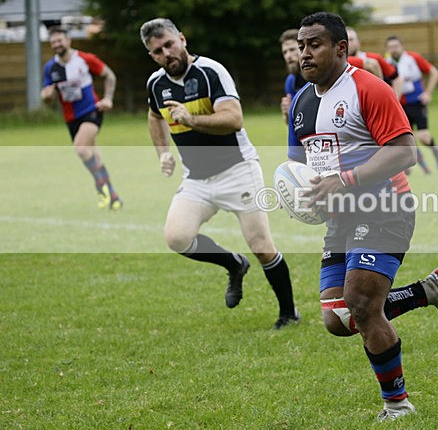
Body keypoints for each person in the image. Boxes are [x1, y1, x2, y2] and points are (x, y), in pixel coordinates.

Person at [289, 12, 438, 421]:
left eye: (314, 44)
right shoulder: (300, 102)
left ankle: (397, 405)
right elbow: (301, 165)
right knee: (338, 319)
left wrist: (345, 181)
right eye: (301, 45)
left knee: (362, 303)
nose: (305, 53)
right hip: (341, 217)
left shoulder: (368, 88)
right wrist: (308, 196)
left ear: (340, 48)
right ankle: (428, 291)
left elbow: (405, 152)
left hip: (385, 208)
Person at [140, 18, 299, 330]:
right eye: (158, 51)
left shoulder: (211, 72)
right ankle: (233, 264)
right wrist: (163, 154)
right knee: (177, 237)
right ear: (152, 55)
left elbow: (234, 119)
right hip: (197, 178)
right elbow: (153, 116)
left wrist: (191, 118)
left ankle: (288, 313)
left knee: (262, 245)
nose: (166, 53)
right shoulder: (155, 83)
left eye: (169, 44)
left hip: (238, 169)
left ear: (182, 40)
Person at [41, 26, 122, 211]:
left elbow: (109, 75)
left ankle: (99, 186)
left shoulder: (85, 59)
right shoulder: (50, 68)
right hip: (71, 119)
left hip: (91, 111)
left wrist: (108, 98)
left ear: (68, 40)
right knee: (94, 156)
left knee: (80, 148)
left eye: (59, 40)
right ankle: (113, 197)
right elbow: (47, 96)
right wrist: (46, 97)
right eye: (53, 42)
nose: (56, 44)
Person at [385, 34, 438, 172]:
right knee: (406, 140)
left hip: (417, 103)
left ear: (402, 46)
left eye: (396, 46)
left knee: (423, 137)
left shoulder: (412, 58)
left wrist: (428, 92)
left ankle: (435, 151)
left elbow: (434, 72)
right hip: (399, 106)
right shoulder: (386, 63)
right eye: (390, 47)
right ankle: (422, 165)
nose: (393, 49)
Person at [346, 26, 404, 99]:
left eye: (351, 40)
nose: (348, 43)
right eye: (346, 40)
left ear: (358, 42)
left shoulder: (374, 58)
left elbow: (398, 79)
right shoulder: (337, 63)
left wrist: (395, 101)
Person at [279, 28, 305, 125]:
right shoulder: (291, 81)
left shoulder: (319, 77)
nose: (288, 56)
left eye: (292, 50)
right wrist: (287, 113)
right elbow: (291, 123)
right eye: (285, 52)